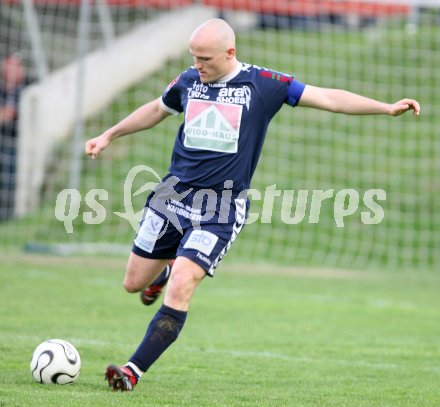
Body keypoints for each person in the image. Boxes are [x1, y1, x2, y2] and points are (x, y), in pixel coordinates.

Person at [85, 18, 420, 392]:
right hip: (172, 198)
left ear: (230, 53)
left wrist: (386, 108)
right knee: (133, 283)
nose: (198, 65)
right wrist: (109, 134)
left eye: (206, 58)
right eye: (194, 57)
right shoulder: (189, 81)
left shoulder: (263, 84)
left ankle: (132, 371)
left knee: (183, 283)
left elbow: (327, 97)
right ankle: (160, 274)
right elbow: (156, 108)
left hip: (220, 209)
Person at [0, 52, 27, 220]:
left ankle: (8, 216)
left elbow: (10, 113)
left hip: (14, 144)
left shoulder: (24, 90)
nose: (13, 70)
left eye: (17, 67)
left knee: (9, 178)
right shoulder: (2, 90)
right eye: (10, 66)